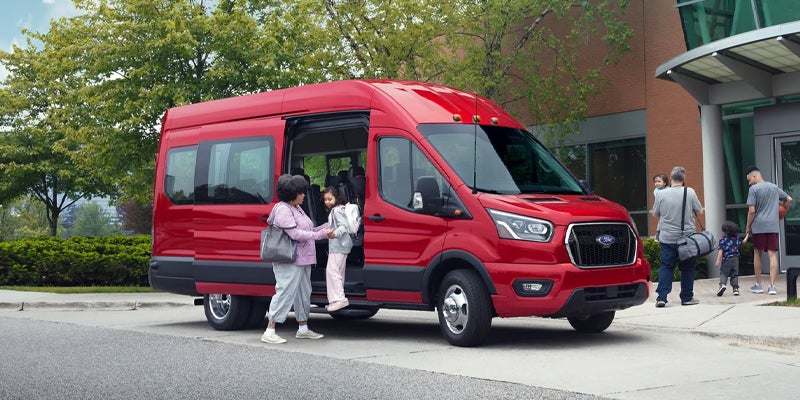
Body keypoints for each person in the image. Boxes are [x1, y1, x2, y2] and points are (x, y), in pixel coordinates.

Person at [261, 174, 333, 344]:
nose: (304, 195)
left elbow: (309, 229)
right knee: (285, 292)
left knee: (303, 293)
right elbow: (295, 234)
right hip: (289, 259)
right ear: (291, 194)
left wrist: (327, 226)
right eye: (301, 192)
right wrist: (320, 235)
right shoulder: (283, 209)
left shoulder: (297, 208)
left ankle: (303, 328)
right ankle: (270, 330)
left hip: (303, 258)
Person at [652, 166, 704, 308]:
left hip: (667, 237)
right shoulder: (690, 192)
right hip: (687, 238)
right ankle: (687, 297)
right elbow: (699, 211)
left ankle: (661, 297)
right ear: (683, 178)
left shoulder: (661, 194)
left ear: (671, 177)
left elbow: (655, 214)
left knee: (666, 266)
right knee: (687, 268)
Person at [744, 166, 793, 295]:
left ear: (755, 176)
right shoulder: (774, 187)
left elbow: (752, 211)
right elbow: (789, 199)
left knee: (757, 253)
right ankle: (772, 286)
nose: (749, 183)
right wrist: (784, 211)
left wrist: (748, 226)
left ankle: (758, 285)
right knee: (772, 254)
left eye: (749, 180)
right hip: (772, 225)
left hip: (758, 225)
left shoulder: (753, 189)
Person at [322, 186, 353, 312]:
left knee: (332, 272)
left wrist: (334, 234)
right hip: (341, 246)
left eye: (330, 199)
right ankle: (335, 300)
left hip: (338, 246)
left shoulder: (337, 211)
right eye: (325, 199)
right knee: (338, 273)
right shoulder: (338, 210)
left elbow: (343, 227)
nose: (327, 202)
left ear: (337, 198)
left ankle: (340, 298)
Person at [714, 221, 748, 296]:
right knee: (734, 274)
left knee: (724, 273)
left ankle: (722, 285)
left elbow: (720, 251)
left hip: (727, 259)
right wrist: (747, 235)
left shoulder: (723, 239)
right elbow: (744, 241)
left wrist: (718, 261)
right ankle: (735, 289)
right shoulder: (736, 239)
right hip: (735, 259)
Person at [652, 173, 669, 241]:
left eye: (659, 181)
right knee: (661, 221)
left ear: (665, 183)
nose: (657, 183)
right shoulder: (656, 191)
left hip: (669, 208)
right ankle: (658, 234)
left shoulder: (669, 189)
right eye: (655, 182)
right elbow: (657, 202)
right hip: (662, 208)